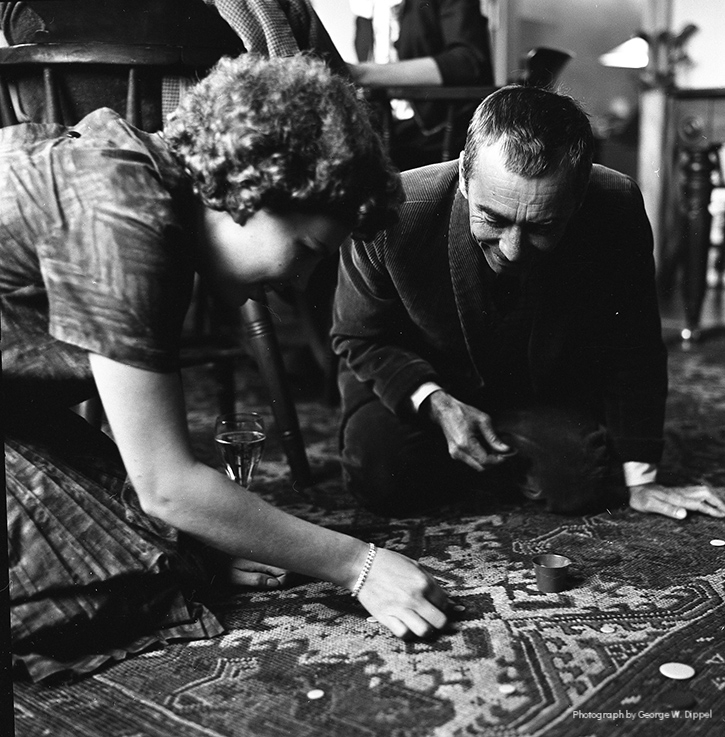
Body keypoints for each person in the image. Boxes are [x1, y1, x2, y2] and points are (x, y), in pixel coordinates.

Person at [2, 53, 452, 682]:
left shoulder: (145, 172)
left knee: (162, 546)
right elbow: (165, 482)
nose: (299, 281)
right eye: (307, 251)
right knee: (111, 588)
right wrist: (360, 565)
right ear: (252, 191)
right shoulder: (123, 217)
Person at [331, 84, 725, 522]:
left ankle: (482, 461)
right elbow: (356, 335)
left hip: (534, 388)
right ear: (464, 175)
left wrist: (643, 479)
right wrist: (436, 402)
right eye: (493, 219)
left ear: (577, 198)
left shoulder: (616, 204)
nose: (514, 251)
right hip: (418, 380)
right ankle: (485, 460)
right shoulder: (394, 214)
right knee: (379, 475)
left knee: (580, 483)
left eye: (542, 226)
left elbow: (633, 345)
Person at [347, 0, 494, 170]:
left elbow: (468, 61)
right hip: (384, 126)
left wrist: (363, 73)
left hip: (438, 131)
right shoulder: (365, 8)